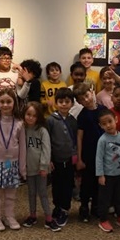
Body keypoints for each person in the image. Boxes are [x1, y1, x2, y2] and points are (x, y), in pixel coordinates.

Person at [0, 88, 27, 231]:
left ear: (14, 103)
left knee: (11, 193)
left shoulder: (19, 123)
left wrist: (22, 168)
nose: (5, 105)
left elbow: (22, 146)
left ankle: (9, 216)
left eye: (8, 102)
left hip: (12, 164)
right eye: (2, 102)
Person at [22, 102, 60, 232]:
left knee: (43, 193)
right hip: (29, 168)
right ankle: (32, 215)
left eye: (34, 115)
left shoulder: (42, 131)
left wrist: (44, 166)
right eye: (28, 114)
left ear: (38, 117)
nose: (30, 118)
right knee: (31, 193)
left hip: (41, 169)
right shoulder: (22, 129)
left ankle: (49, 218)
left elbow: (46, 149)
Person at [73, 83, 105, 224]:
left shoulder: (103, 110)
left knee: (99, 181)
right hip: (88, 154)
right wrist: (79, 158)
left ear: (92, 92)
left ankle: (96, 206)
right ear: (79, 102)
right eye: (82, 99)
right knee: (87, 182)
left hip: (102, 154)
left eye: (86, 96)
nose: (86, 100)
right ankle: (84, 207)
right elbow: (79, 137)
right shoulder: (82, 115)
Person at [96, 109, 120, 232]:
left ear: (115, 120)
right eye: (104, 124)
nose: (108, 125)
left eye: (110, 121)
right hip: (107, 175)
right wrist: (100, 175)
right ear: (100, 126)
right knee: (105, 199)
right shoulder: (102, 140)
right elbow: (99, 158)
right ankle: (103, 219)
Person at [47, 87, 77, 227]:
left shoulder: (73, 121)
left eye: (67, 101)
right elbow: (47, 141)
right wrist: (49, 159)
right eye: (61, 101)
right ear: (56, 103)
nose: (64, 104)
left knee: (67, 185)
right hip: (56, 160)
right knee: (56, 185)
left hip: (69, 160)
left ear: (72, 103)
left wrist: (76, 156)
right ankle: (57, 206)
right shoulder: (50, 120)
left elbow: (76, 140)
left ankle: (65, 209)